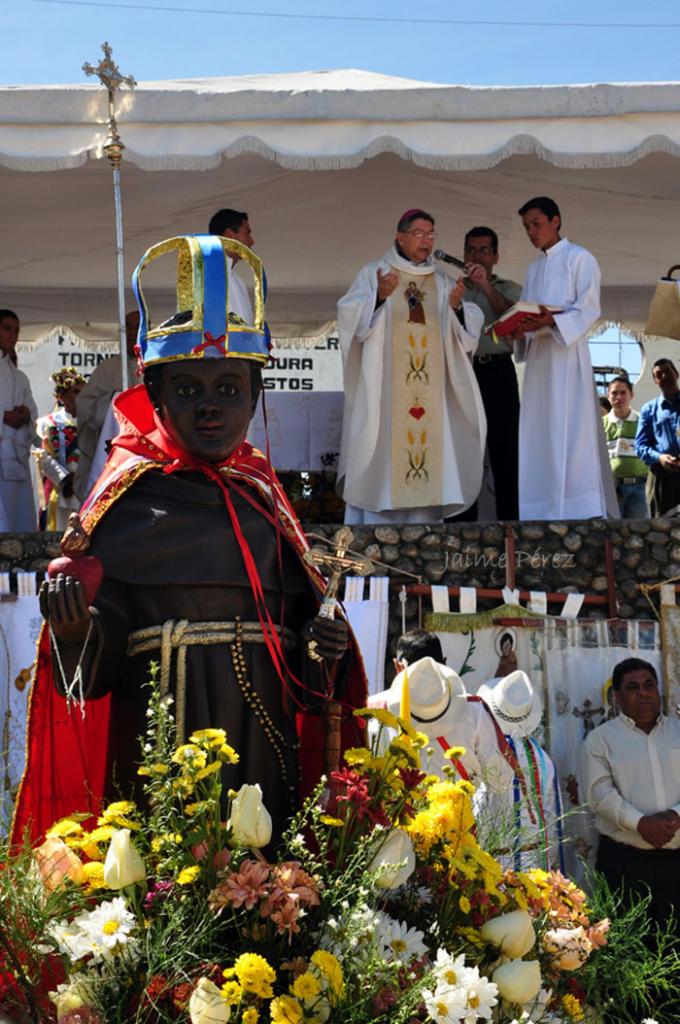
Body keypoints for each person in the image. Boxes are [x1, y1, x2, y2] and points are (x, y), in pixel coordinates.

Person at [13, 234, 367, 847]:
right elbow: (94, 667)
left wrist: (323, 648)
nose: (210, 408)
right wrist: (76, 632)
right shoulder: (120, 508)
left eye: (228, 389)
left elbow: (312, 682)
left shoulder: (266, 500)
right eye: (188, 390)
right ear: (154, 399)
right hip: (160, 736)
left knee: (267, 889)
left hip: (265, 744)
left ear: (255, 396)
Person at [337, 209, 486, 524]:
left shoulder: (443, 281)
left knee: (428, 463)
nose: (427, 240)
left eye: (431, 233)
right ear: (400, 236)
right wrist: (378, 297)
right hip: (388, 394)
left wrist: (458, 308)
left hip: (431, 397)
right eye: (419, 233)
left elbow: (468, 337)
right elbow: (352, 322)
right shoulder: (374, 272)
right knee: (384, 460)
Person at [511, 197, 617, 520]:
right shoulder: (533, 268)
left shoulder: (579, 258)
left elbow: (588, 309)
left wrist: (551, 322)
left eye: (536, 224)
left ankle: (576, 507)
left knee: (571, 431)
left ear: (555, 221)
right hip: (540, 362)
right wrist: (521, 330)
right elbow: (528, 310)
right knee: (539, 431)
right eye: (527, 227)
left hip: (567, 358)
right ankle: (539, 507)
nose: (531, 232)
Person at [579, 658, 680, 937]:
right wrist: (641, 824)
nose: (644, 693)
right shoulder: (600, 740)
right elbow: (599, 795)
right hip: (625, 863)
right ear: (617, 696)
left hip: (677, 861)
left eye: (649, 685)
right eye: (633, 687)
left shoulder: (678, 731)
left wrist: (675, 815)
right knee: (629, 950)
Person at [369, 653, 512, 804]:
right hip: (458, 819)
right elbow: (501, 780)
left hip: (397, 819)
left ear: (399, 666)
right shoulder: (475, 712)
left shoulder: (377, 712)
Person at [463, 227, 522, 520]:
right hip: (463, 373)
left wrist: (486, 287)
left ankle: (511, 525)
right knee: (465, 450)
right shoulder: (453, 289)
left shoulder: (508, 288)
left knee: (506, 450)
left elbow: (515, 323)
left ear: (496, 256)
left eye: (484, 250)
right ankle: (461, 526)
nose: (477, 255)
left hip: (498, 371)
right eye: (472, 250)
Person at [478, 671, 564, 872]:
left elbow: (478, 810)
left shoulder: (482, 753)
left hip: (490, 864)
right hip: (533, 865)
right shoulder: (543, 759)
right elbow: (552, 819)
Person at [73, 310, 140, 501]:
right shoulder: (108, 368)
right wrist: (113, 400)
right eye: (129, 327)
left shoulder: (154, 367)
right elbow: (85, 406)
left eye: (138, 327)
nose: (134, 332)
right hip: (110, 450)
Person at [35, 368, 86, 531]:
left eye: (82, 392)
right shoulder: (46, 423)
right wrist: (64, 479)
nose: (80, 397)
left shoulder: (91, 423)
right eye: (75, 392)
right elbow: (42, 455)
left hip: (85, 489)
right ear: (61, 396)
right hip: (58, 490)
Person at [0, 309, 37, 531]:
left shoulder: (19, 376)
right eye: (7, 329)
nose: (12, 335)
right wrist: (4, 417)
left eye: (16, 331)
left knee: (18, 520)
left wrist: (26, 415)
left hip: (15, 457)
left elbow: (32, 411)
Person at [635, 358, 680, 516]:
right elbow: (640, 446)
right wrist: (660, 457)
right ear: (655, 381)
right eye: (658, 374)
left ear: (676, 373)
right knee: (661, 529)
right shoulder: (649, 410)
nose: (664, 376)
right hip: (661, 477)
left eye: (667, 371)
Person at [603, 375, 648, 518]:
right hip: (612, 491)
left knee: (639, 534)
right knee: (612, 535)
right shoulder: (600, 424)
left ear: (631, 395)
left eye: (623, 393)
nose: (618, 397)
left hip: (640, 489)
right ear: (608, 395)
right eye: (614, 393)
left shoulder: (643, 422)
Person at [208, 208, 255, 325]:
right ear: (230, 235)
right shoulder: (205, 278)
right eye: (247, 233)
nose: (252, 241)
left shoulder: (238, 281)